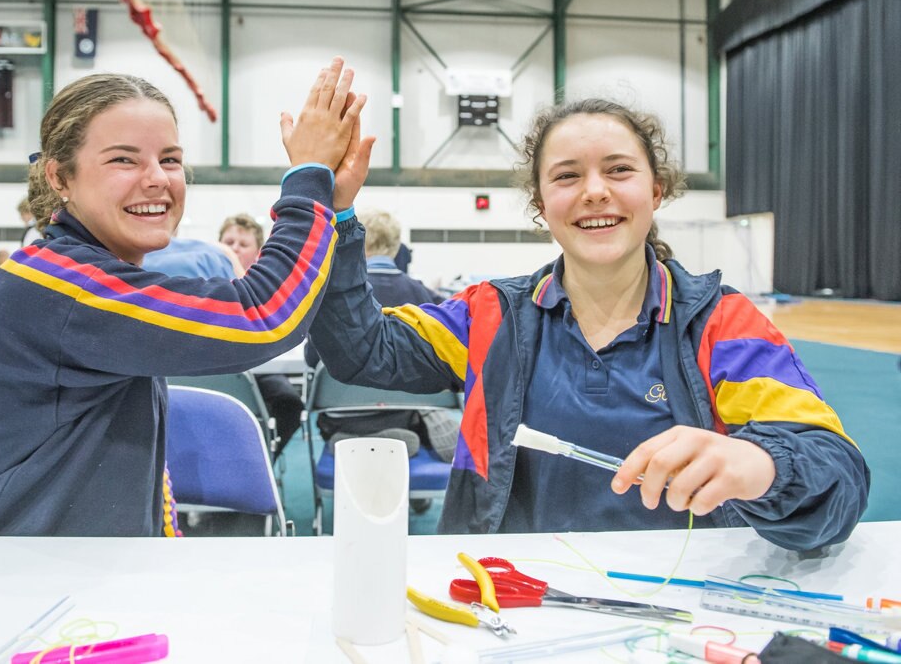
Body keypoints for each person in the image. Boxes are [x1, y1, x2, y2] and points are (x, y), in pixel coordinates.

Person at [308, 98, 869, 551]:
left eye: (619, 170)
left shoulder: (722, 323)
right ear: (542, 203)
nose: (595, 190)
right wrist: (333, 214)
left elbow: (836, 475)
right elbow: (360, 349)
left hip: (677, 609)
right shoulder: (489, 315)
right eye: (567, 176)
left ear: (656, 190)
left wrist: (765, 463)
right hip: (504, 599)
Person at [0, 58, 368, 536]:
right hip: (18, 583)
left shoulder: (89, 275)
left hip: (69, 574)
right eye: (123, 159)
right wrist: (309, 179)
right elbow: (264, 315)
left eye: (170, 159)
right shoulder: (58, 286)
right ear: (60, 178)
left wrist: (334, 205)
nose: (158, 178)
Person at [305, 210, 455, 462]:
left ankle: (348, 435)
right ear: (397, 248)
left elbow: (312, 358)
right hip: (402, 409)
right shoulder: (423, 295)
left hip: (340, 412)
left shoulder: (330, 295)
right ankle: (418, 427)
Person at [219, 213, 304, 460]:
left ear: (257, 253)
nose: (234, 248)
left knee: (290, 404)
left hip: (261, 369)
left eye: (242, 244)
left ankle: (264, 460)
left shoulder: (266, 288)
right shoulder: (204, 281)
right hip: (215, 371)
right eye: (229, 242)